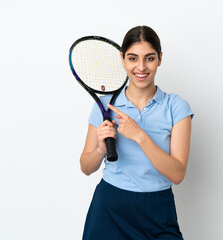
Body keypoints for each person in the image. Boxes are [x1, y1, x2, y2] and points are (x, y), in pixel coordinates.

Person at [80, 25, 194, 240]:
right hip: (109, 209)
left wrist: (139, 136)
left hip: (158, 210)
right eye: (133, 58)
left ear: (160, 58)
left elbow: (177, 174)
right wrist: (100, 149)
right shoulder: (105, 106)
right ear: (122, 59)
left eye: (149, 58)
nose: (141, 67)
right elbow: (86, 167)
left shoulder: (176, 107)